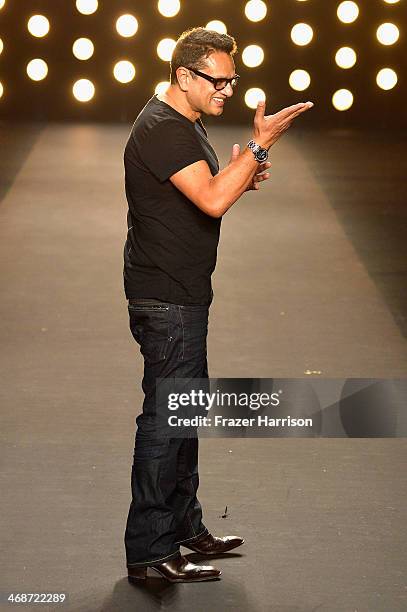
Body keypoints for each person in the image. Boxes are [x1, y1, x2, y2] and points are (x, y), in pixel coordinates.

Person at [123, 26, 313, 584]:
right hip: (167, 297)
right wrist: (258, 148)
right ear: (184, 76)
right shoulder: (163, 128)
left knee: (185, 410)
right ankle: (150, 550)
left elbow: (208, 189)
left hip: (179, 290)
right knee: (164, 420)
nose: (227, 90)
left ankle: (183, 528)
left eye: (233, 80)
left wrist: (238, 176)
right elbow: (210, 198)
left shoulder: (181, 120)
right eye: (218, 80)